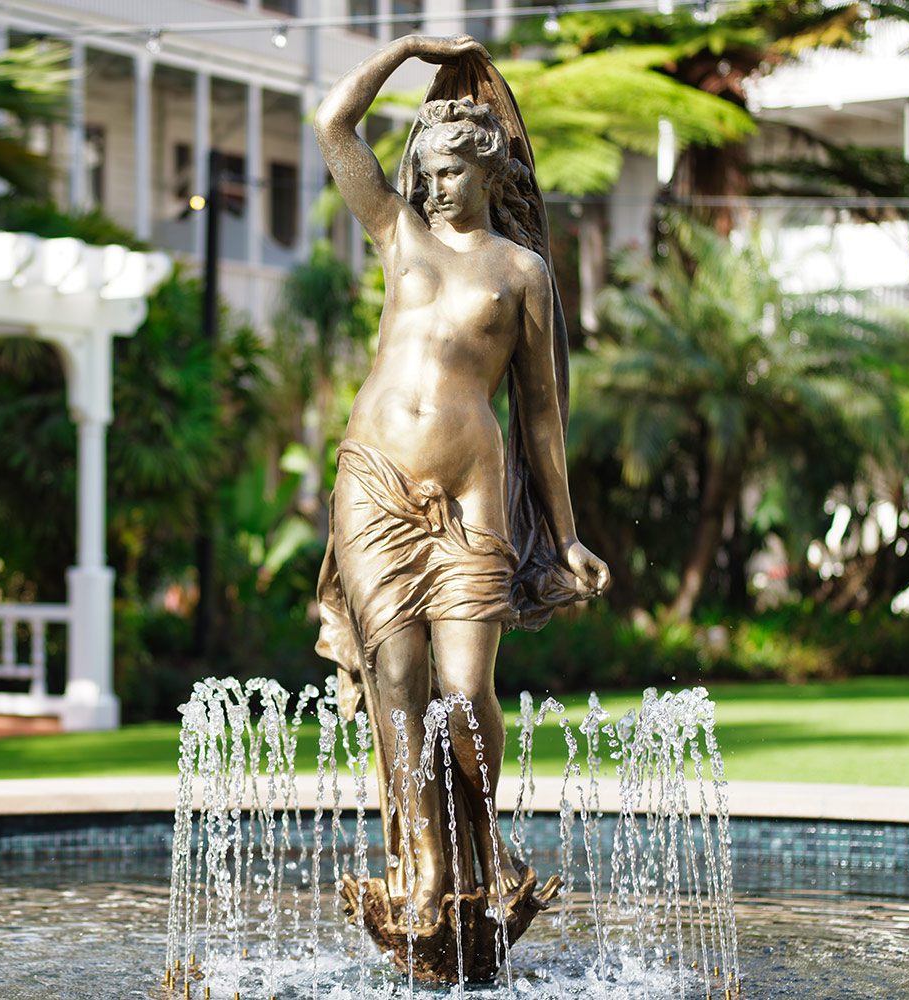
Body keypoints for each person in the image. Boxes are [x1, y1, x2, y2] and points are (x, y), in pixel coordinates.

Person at [312, 34, 610, 920]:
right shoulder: (398, 236)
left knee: (466, 686)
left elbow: (543, 416)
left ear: (487, 170)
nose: (431, 186)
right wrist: (405, 48)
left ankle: (482, 834)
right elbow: (333, 123)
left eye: (448, 171)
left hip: (472, 495)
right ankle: (430, 861)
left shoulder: (522, 274)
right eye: (424, 170)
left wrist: (563, 534)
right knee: (397, 678)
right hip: (373, 482)